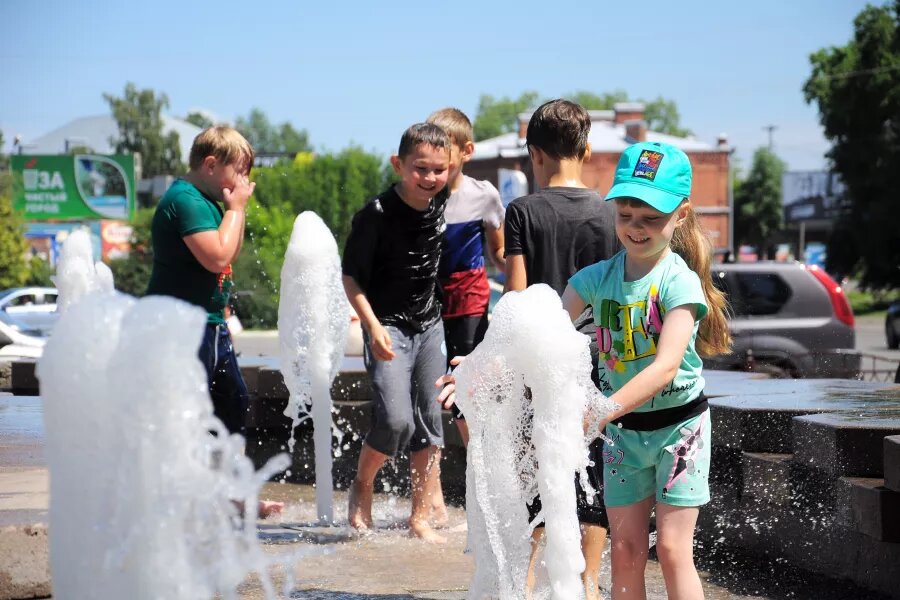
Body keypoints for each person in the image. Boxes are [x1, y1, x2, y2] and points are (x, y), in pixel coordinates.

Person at [567, 141, 732, 599]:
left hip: (680, 431)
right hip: (623, 432)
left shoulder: (677, 281)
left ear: (680, 216)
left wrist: (601, 409)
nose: (636, 229)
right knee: (624, 548)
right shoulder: (598, 277)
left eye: (651, 218)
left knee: (675, 551)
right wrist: (484, 362)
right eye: (626, 216)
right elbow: (543, 328)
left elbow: (665, 368)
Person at [503, 99, 620, 600]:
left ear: (535, 154)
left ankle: (526, 581)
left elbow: (516, 297)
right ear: (587, 149)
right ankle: (589, 583)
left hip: (542, 361)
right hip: (600, 357)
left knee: (536, 464)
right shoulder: (612, 212)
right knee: (592, 469)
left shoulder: (522, 212)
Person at [146, 126, 282, 518]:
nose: (244, 182)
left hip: (211, 323)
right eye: (238, 171)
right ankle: (181, 502)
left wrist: (233, 210)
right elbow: (217, 258)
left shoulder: (210, 201)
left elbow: (230, 250)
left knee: (233, 403)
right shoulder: (185, 200)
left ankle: (230, 496)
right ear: (210, 164)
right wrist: (237, 208)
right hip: (181, 325)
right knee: (190, 413)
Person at [342, 123, 451, 543]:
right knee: (395, 421)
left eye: (439, 170)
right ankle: (362, 485)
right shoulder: (376, 214)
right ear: (398, 165)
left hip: (429, 325)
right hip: (386, 326)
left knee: (430, 420)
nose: (430, 178)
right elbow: (351, 278)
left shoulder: (442, 202)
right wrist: (371, 327)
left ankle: (418, 517)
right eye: (420, 168)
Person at [427, 107, 506, 447]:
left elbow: (500, 254)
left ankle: (479, 455)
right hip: (430, 300)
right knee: (432, 383)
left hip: (470, 298)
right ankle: (473, 455)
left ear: (466, 151)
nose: (435, 157)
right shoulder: (422, 194)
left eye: (444, 149)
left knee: (467, 379)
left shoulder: (483, 194)